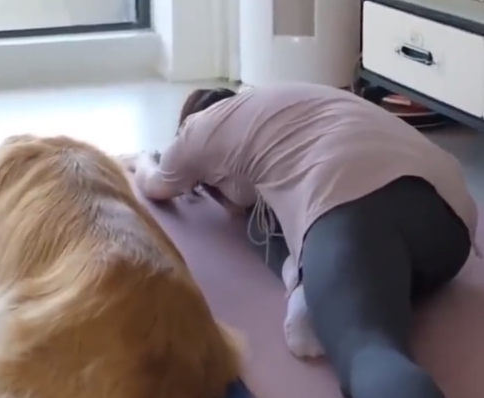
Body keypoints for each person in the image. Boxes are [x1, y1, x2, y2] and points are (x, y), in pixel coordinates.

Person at [124, 83, 478, 398]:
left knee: (368, 350)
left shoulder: (196, 131)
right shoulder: (292, 100)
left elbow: (156, 186)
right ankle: (320, 288)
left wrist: (142, 158)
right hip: (454, 225)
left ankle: (314, 294)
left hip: (349, 200)